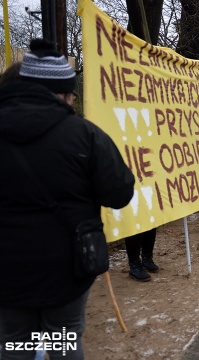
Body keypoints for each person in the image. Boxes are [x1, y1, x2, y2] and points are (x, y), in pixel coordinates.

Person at [0, 39, 135, 359]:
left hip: (6, 271)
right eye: (71, 93)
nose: (73, 100)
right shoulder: (84, 135)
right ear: (61, 92)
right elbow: (120, 193)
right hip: (68, 268)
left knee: (15, 344)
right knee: (65, 342)